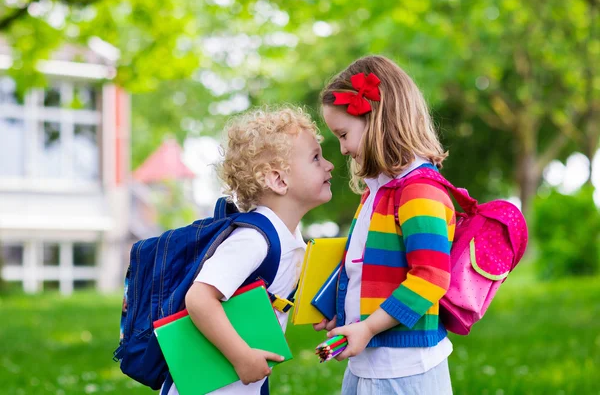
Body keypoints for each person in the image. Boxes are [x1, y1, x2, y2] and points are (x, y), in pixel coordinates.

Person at [163, 106, 334, 395]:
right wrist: (241, 356)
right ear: (278, 180)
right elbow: (200, 298)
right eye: (315, 158)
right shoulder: (253, 240)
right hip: (208, 386)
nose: (329, 164)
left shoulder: (291, 238)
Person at [315, 55, 455, 394]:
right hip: (369, 364)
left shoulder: (419, 190)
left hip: (405, 372)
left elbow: (431, 277)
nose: (343, 149)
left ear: (377, 119)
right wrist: (345, 313)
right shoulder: (377, 192)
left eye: (344, 134)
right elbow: (367, 271)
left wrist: (367, 327)